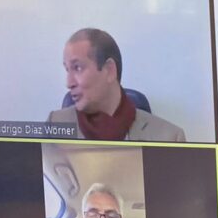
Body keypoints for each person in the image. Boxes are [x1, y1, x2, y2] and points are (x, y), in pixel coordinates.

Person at [48, 28, 186, 142]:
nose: (69, 83)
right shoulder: (54, 125)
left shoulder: (169, 137)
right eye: (67, 69)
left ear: (109, 70)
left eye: (77, 68)